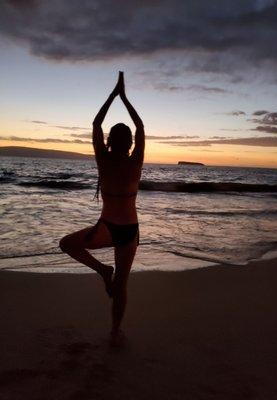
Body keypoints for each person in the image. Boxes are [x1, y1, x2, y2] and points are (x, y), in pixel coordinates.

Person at [59, 72, 145, 344]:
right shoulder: (135, 161)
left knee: (67, 244)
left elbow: (97, 123)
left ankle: (103, 274)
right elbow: (141, 126)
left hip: (112, 229)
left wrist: (114, 95)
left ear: (110, 141)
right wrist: (125, 98)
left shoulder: (104, 160)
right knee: (120, 285)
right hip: (126, 230)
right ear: (130, 142)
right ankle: (115, 329)